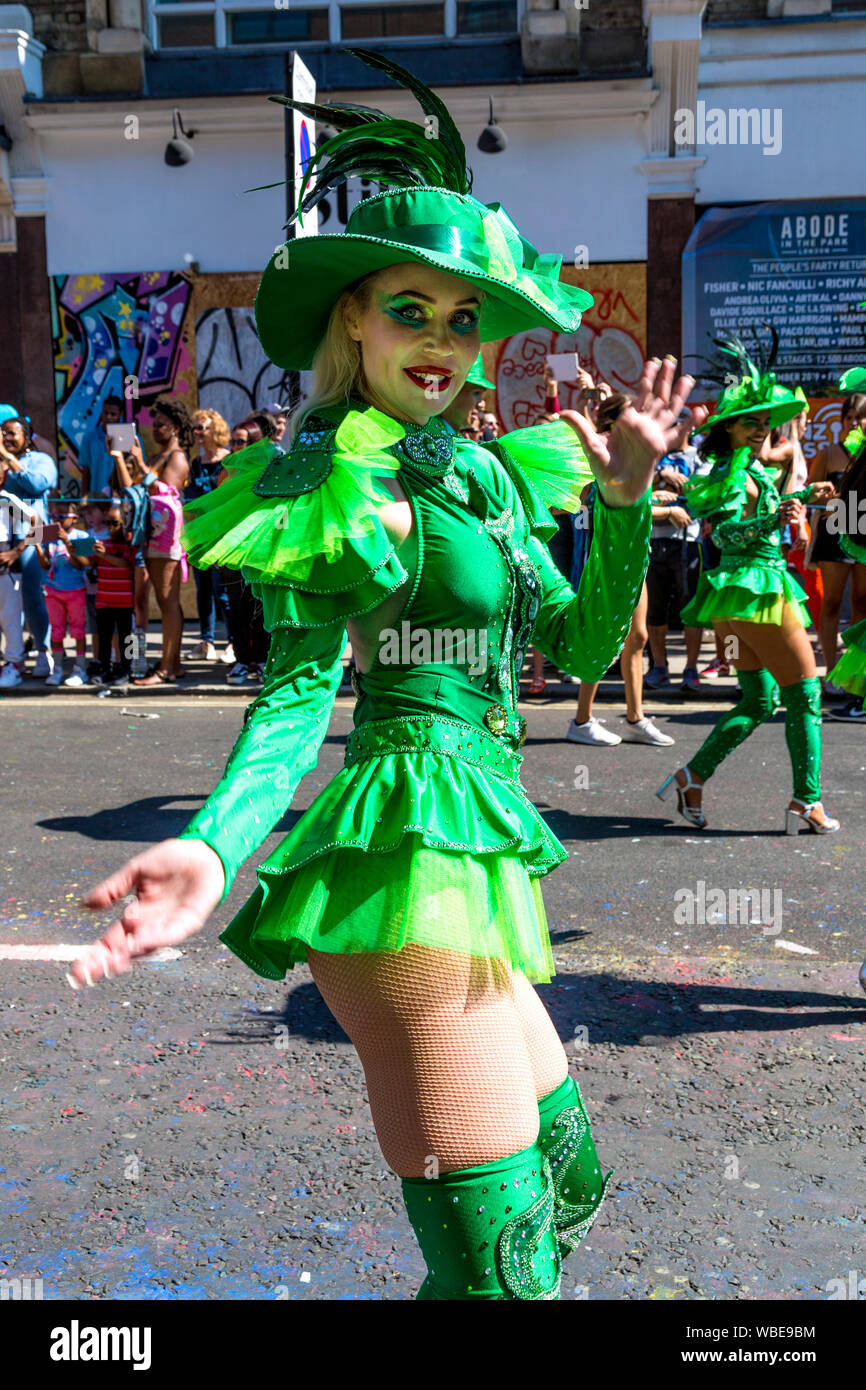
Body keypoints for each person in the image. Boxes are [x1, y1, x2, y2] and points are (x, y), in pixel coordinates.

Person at [68, 51, 704, 1302]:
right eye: (410, 310)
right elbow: (297, 695)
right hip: (394, 867)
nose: (442, 344)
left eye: (464, 319)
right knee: (499, 1267)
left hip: (475, 859)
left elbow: (576, 653)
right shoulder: (329, 478)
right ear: (351, 315)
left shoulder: (489, 475)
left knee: (561, 1192)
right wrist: (212, 843)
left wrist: (622, 500)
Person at [657, 330, 837, 834]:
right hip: (757, 592)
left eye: (764, 423)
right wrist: (773, 519)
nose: (760, 430)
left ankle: (691, 777)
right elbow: (727, 533)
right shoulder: (737, 474)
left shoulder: (739, 469)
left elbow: (751, 517)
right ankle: (807, 800)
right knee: (805, 694)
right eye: (749, 424)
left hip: (732, 601)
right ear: (730, 429)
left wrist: (809, 500)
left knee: (760, 701)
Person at [566, 393, 674, 747]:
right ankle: (582, 720)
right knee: (604, 637)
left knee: (638, 637)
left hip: (634, 561)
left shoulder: (633, 454)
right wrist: (664, 510)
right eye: (629, 415)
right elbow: (594, 498)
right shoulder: (602, 456)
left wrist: (655, 498)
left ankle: (634, 717)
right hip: (608, 563)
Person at [112, 398, 191, 685]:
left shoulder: (177, 457)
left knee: (168, 601)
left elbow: (164, 491)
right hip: (152, 534)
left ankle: (168, 669)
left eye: (161, 425)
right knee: (164, 599)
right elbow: (133, 489)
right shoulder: (158, 457)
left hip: (166, 535)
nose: (155, 430)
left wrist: (141, 462)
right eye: (153, 425)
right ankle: (174, 663)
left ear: (176, 427)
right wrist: (122, 458)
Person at [0, 415, 58, 677]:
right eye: (3, 433)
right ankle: (14, 656)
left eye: (12, 433)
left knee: (33, 595)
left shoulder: (40, 460)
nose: (6, 438)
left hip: (35, 537)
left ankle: (44, 650)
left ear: (26, 436)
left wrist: (10, 461)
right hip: (5, 537)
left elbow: (37, 485)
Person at [187, 409, 231, 661]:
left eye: (202, 427)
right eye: (195, 428)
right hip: (199, 533)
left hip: (221, 534)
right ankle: (206, 641)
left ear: (215, 430)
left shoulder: (228, 461)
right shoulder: (195, 463)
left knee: (222, 591)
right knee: (202, 590)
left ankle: (232, 642)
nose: (197, 433)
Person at [35, 500, 91, 687]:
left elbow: (82, 563)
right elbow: (44, 564)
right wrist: (36, 545)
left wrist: (67, 541)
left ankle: (80, 668)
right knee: (56, 631)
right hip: (53, 591)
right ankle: (57, 668)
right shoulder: (49, 537)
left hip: (75, 591)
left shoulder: (82, 535)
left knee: (78, 630)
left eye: (62, 517)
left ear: (74, 518)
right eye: (54, 517)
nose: (57, 521)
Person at [92, 505, 136, 685]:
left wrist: (104, 555)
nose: (110, 527)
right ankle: (105, 669)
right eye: (107, 523)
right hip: (104, 601)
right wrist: (72, 550)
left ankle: (126, 668)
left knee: (126, 638)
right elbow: (87, 562)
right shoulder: (103, 544)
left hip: (124, 603)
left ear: (124, 523)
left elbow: (125, 564)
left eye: (115, 523)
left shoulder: (129, 545)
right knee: (104, 639)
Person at [77, 396, 124, 497]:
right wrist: (84, 499)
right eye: (105, 413)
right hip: (97, 498)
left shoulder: (130, 438)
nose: (108, 417)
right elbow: (86, 473)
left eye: (113, 414)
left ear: (121, 414)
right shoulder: (89, 438)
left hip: (122, 498)